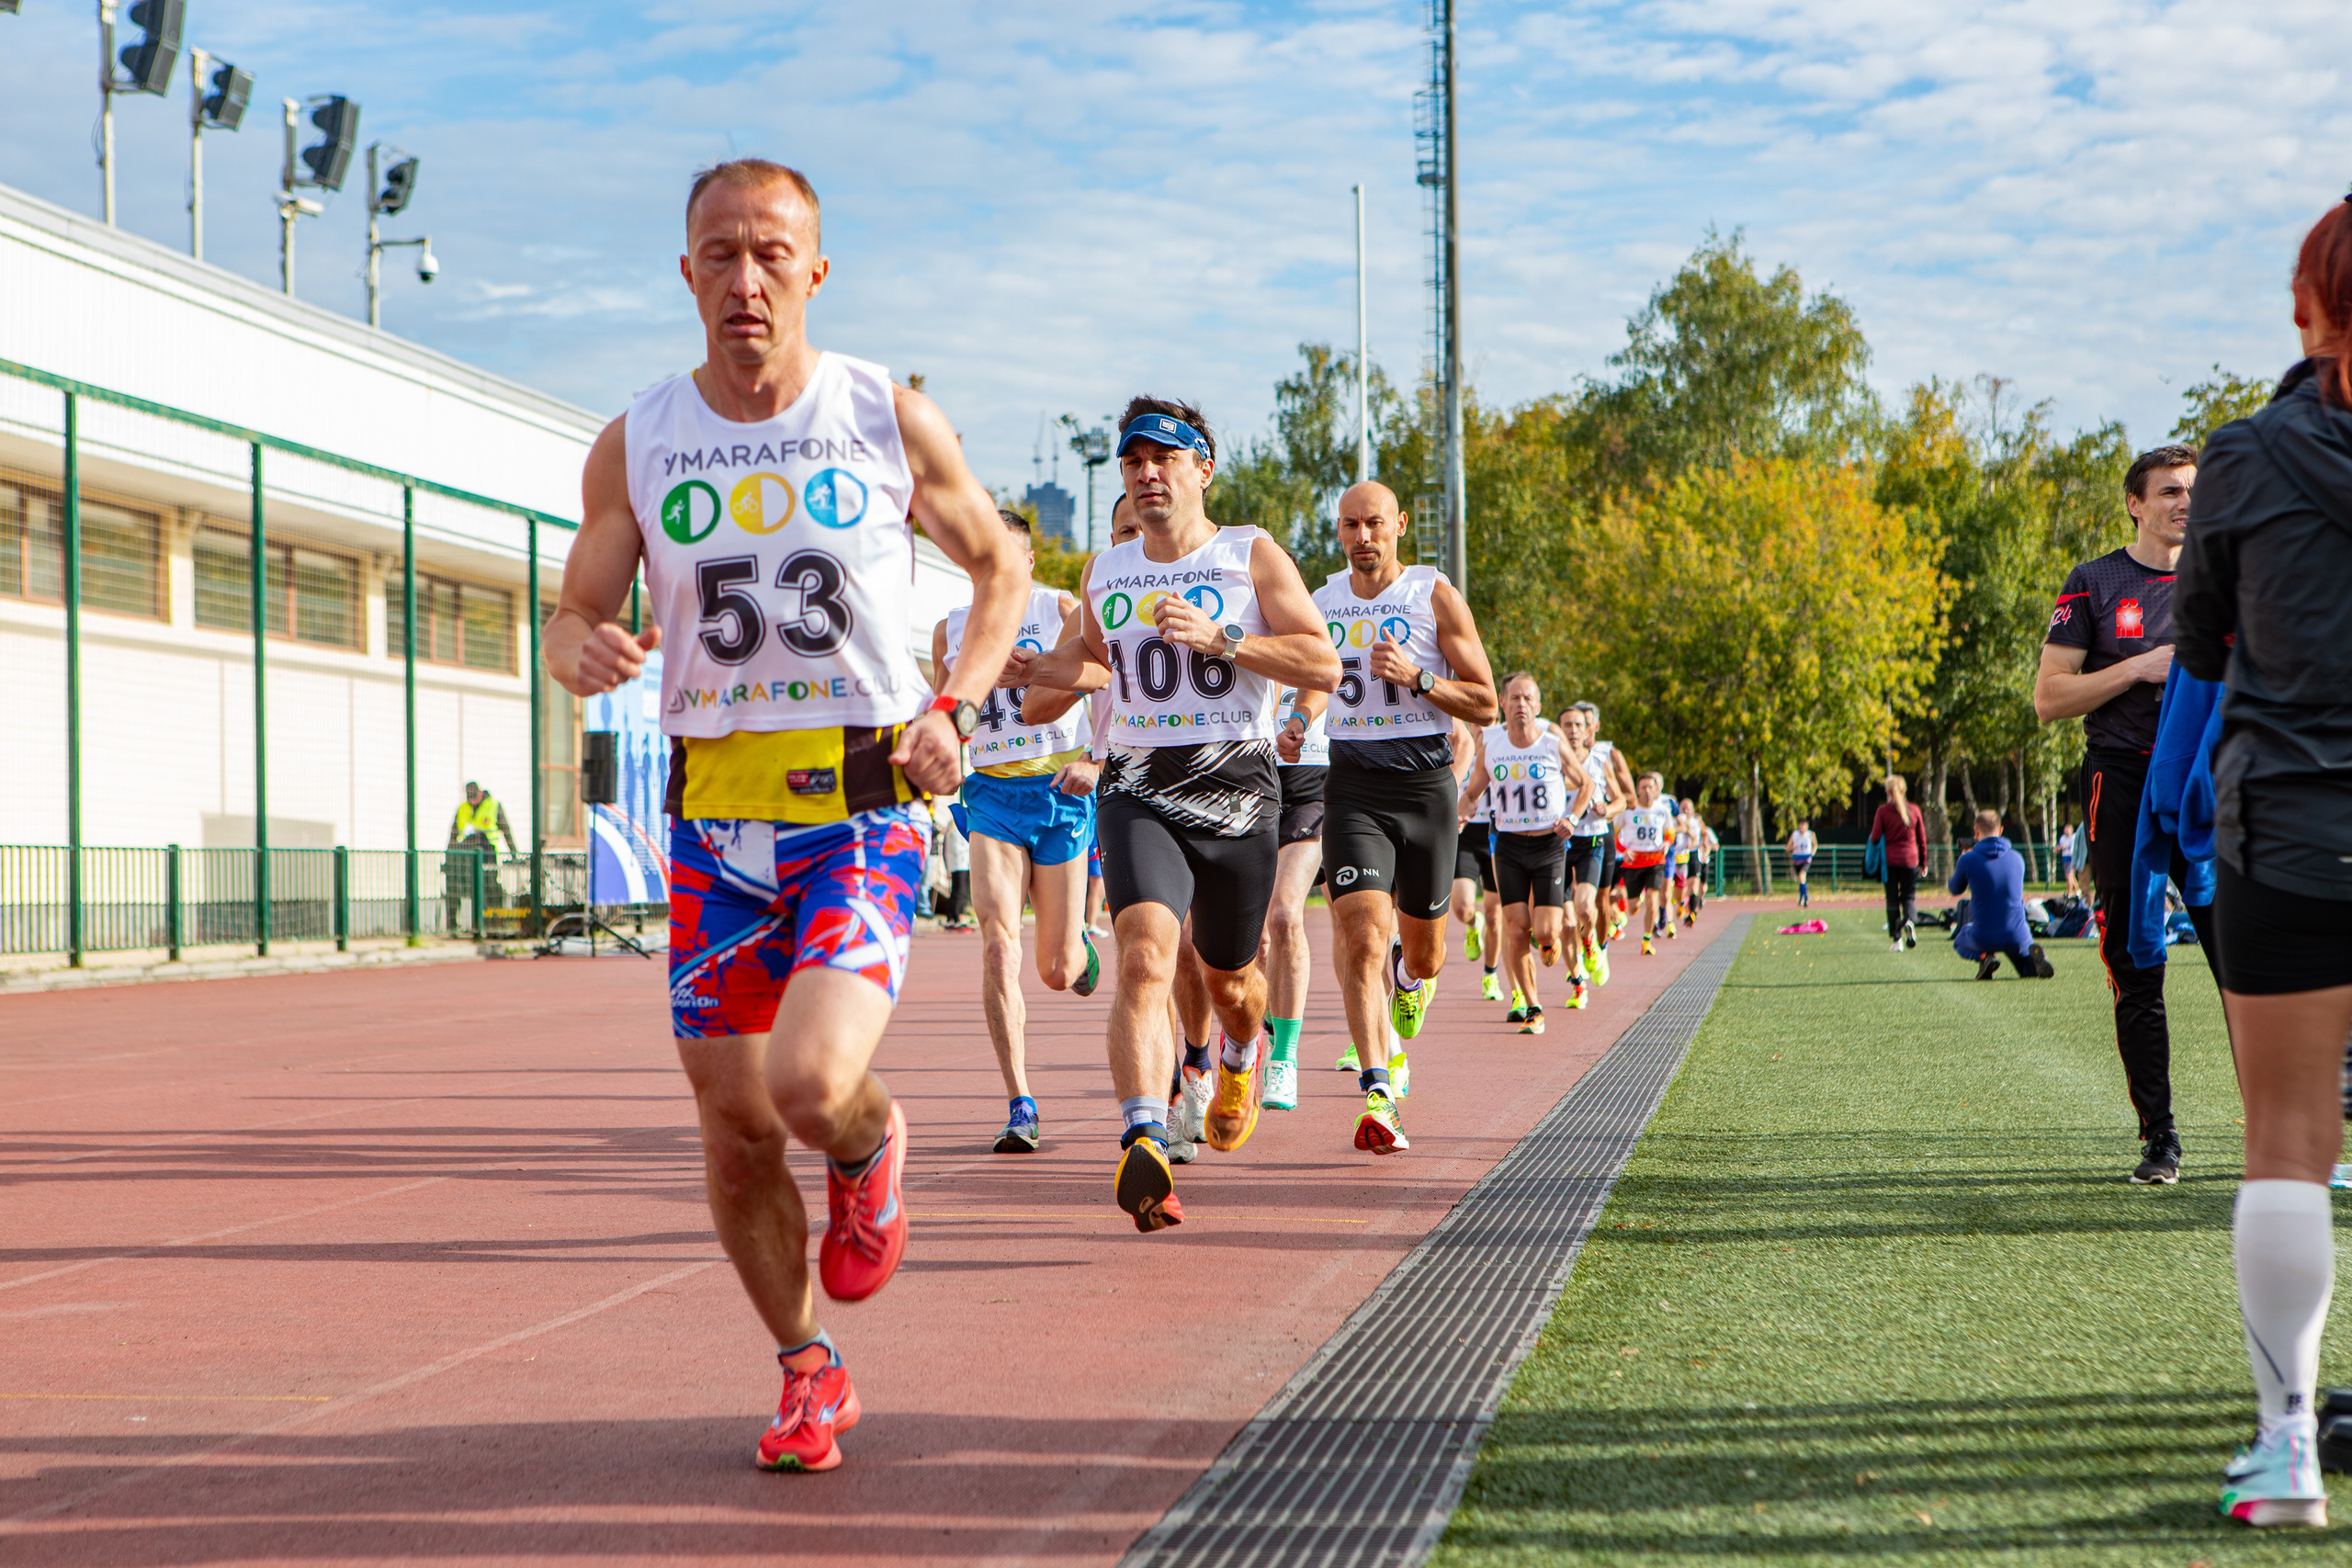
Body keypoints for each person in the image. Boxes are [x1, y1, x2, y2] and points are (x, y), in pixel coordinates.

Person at [543, 160, 1028, 1474]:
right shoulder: (638, 440)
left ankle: (871, 1141)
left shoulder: (883, 414)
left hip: (862, 803)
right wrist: (582, 648)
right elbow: (571, 613)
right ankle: (810, 1371)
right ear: (686, 272)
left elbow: (1003, 564)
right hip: (713, 822)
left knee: (810, 1086)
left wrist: (958, 705)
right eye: (720, 253)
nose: (745, 279)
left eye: (771, 254)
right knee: (737, 1131)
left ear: (815, 271)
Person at [1013, 398, 1338, 1230]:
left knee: (1231, 981)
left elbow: (1323, 661)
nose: (1147, 473)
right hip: (1138, 788)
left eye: (1165, 458)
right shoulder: (1107, 571)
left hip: (1238, 793)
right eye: (1133, 461)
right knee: (1146, 957)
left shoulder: (1249, 553)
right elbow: (1083, 664)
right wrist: (1029, 674)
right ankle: (1145, 1138)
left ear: (1203, 469)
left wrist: (1224, 640)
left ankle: (1241, 1053)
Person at [2174, 202, 2352, 1527]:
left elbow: (2200, 641)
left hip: (2289, 827)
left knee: (2287, 1141)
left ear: (2306, 308)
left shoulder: (2242, 456)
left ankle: (2286, 1448)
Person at [2036, 441, 2217, 1186]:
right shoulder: (2095, 582)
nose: (2185, 501)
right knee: (2137, 960)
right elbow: (2049, 697)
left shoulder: (2229, 577)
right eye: (2169, 490)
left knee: (2249, 961)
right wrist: (2139, 666)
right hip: (2123, 782)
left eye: (2194, 489)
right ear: (2135, 504)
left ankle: (2281, 1137)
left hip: (2211, 786)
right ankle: (2160, 1139)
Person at [1301, 480, 1498, 1154]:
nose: (1363, 537)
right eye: (1351, 525)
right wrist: (1299, 717)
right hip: (1352, 786)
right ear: (1339, 530)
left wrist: (1419, 678)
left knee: (1426, 954)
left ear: (1400, 525)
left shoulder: (1432, 594)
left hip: (1425, 789)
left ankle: (1410, 978)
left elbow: (1486, 702)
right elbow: (1311, 678)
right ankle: (1379, 1088)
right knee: (1360, 935)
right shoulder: (1321, 601)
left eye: (1375, 523)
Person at [930, 511, 1102, 1156]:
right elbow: (944, 708)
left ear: (1028, 562)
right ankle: (1020, 1101)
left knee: (1057, 970)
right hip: (992, 797)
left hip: (1058, 791)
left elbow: (1108, 681)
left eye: (1008, 555)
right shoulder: (950, 627)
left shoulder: (1060, 609)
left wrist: (1095, 759)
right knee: (999, 948)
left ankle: (1080, 948)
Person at [1464, 673, 1590, 1035]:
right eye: (1515, 698)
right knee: (1517, 928)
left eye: (1528, 698)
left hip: (1549, 845)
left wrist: (1572, 817)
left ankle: (1548, 943)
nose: (1522, 704)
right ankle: (1533, 1006)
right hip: (1508, 846)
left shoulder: (1552, 743)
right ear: (1503, 703)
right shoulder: (1492, 744)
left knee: (1546, 931)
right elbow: (1472, 792)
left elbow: (1586, 784)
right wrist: (1459, 813)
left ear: (1538, 705)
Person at [1261, 676, 1329, 1111]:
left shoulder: (1327, 641)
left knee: (1285, 914)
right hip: (1248, 787)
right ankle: (1263, 1029)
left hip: (1312, 790)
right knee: (1256, 940)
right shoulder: (1238, 641)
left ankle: (1284, 1058)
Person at [1559, 702, 1627, 1007]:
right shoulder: (1550, 760)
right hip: (1558, 844)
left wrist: (1607, 809)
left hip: (1592, 841)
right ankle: (1577, 984)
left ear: (1589, 730)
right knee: (1565, 920)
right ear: (1559, 730)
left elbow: (1621, 800)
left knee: (1586, 908)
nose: (1574, 731)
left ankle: (1590, 942)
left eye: (1579, 725)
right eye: (1568, 725)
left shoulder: (1599, 761)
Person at [1946, 808, 2054, 979]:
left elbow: (1954, 889)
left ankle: (1985, 957)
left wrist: (1962, 861)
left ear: (1976, 831)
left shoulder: (1968, 860)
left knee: (1960, 940)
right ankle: (2032, 962)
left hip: (1984, 935)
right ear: (2001, 830)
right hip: (2017, 934)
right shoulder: (2017, 858)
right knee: (2026, 969)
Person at [1448, 717, 1504, 1002]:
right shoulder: (1458, 744)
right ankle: (1472, 925)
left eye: (1488, 721)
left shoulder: (1504, 746)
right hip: (1465, 833)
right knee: (1462, 907)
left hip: (1497, 835)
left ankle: (1490, 975)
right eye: (1475, 721)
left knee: (1495, 915)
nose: (1481, 726)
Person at [1615, 773, 1675, 954]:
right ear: (1638, 789)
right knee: (1633, 909)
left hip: (1655, 861)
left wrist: (1666, 843)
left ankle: (1647, 941)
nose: (1647, 791)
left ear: (1656, 790)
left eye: (1651, 787)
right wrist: (1623, 850)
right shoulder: (1628, 810)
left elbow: (1670, 833)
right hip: (1633, 862)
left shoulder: (1662, 810)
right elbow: (1615, 834)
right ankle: (1636, 899)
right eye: (1643, 787)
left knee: (1652, 899)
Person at [1870, 775, 1927, 951]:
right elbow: (1922, 839)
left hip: (1890, 861)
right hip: (1910, 859)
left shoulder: (1883, 811)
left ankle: (1897, 940)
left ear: (1888, 793)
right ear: (1904, 790)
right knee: (1908, 897)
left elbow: (1875, 837)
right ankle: (1910, 921)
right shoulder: (1914, 810)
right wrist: (1923, 862)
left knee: (1892, 899)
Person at [448, 781, 519, 857]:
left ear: (480, 793)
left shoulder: (494, 806)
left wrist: (514, 854)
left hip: (488, 852)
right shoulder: (462, 808)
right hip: (468, 851)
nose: (472, 801)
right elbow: (453, 835)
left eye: (474, 797)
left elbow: (506, 831)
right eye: (470, 798)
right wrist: (448, 856)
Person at [1787, 819, 1816, 908]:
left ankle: (1801, 898)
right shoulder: (1794, 834)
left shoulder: (1811, 834)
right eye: (1800, 825)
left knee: (1802, 875)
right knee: (1801, 880)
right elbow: (1787, 848)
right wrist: (1793, 847)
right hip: (1797, 859)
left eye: (1804, 826)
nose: (1802, 828)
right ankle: (1806, 896)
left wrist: (1812, 853)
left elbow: (1815, 845)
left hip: (1806, 859)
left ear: (1807, 827)